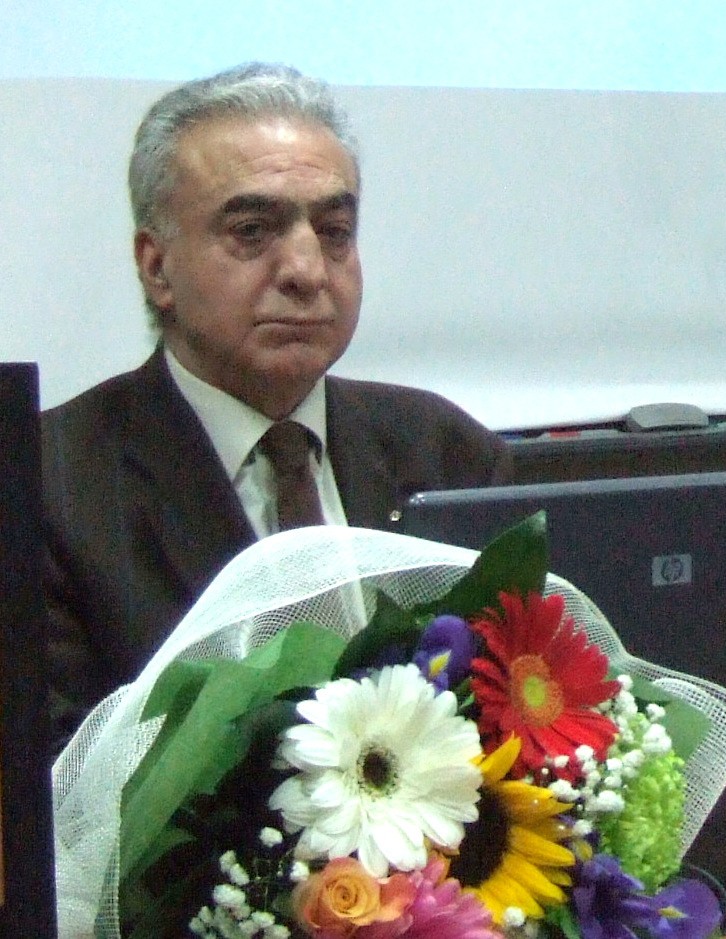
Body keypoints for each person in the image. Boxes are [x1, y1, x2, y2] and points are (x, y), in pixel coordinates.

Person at [41, 62, 514, 751]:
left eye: (334, 230)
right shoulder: (47, 484)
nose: (306, 271)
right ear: (156, 266)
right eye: (253, 231)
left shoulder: (449, 453)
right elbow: (55, 779)